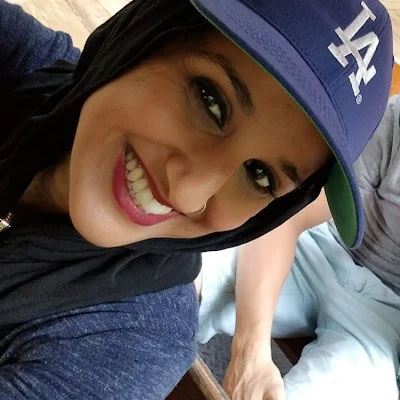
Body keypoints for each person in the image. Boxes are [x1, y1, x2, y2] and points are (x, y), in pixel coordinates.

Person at [0, 0, 393, 398]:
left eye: (259, 175)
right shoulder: (24, 63)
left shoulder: (127, 348)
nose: (189, 195)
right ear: (148, 33)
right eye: (211, 102)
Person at [196, 93, 400, 399]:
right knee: (183, 269)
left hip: (386, 316)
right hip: (320, 242)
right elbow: (288, 220)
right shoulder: (395, 119)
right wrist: (250, 350)